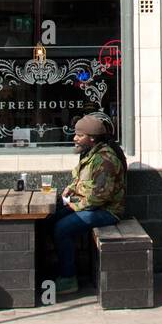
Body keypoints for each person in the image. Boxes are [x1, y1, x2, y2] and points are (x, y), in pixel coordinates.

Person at [53, 114, 127, 297]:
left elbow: (99, 197)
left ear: (91, 138)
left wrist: (73, 207)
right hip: (91, 206)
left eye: (79, 135)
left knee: (62, 228)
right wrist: (70, 189)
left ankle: (68, 278)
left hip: (107, 211)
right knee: (51, 218)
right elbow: (83, 180)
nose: (74, 138)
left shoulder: (105, 160)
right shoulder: (90, 154)